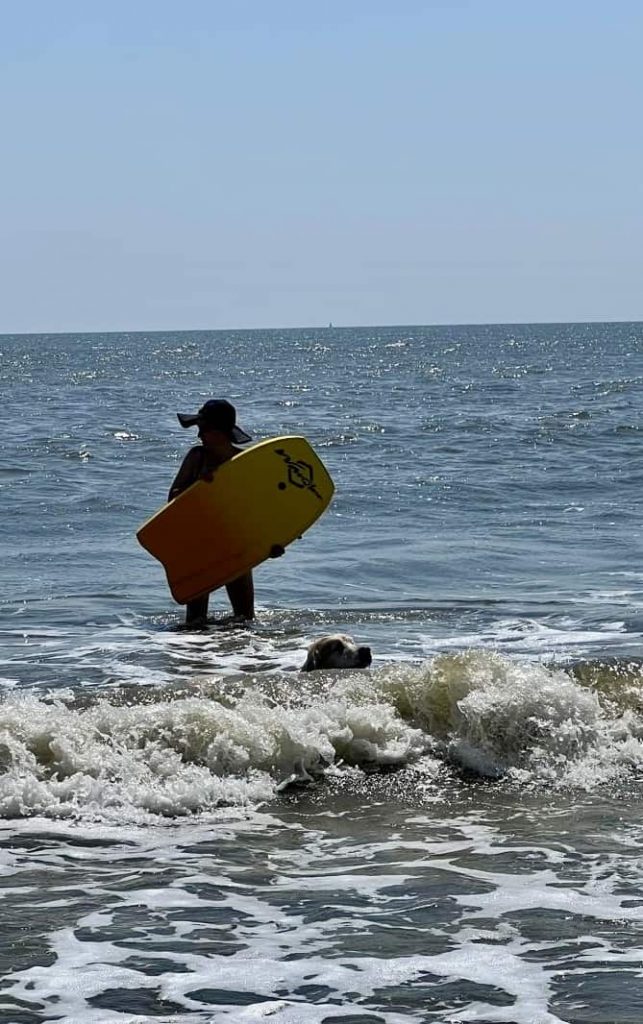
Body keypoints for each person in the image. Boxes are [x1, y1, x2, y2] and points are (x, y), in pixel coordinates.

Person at [169, 399, 255, 626]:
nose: (199, 436)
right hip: (198, 546)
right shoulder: (197, 457)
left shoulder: (246, 464)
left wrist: (277, 540)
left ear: (221, 432)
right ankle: (196, 656)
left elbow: (262, 507)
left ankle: (244, 658)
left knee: (245, 622)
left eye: (203, 430)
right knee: (194, 624)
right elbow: (172, 500)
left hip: (235, 546)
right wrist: (197, 486)